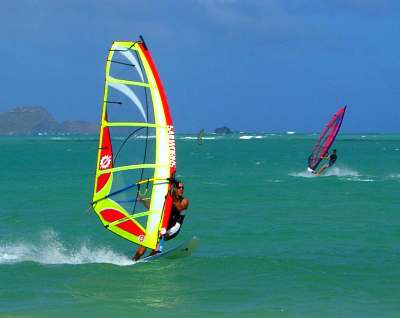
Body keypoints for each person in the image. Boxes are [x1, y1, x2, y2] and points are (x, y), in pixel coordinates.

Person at [133, 180, 189, 261]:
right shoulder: (167, 198)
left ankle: (145, 260)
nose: (181, 189)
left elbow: (179, 207)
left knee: (156, 246)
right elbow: (153, 207)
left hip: (173, 228)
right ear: (175, 189)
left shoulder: (184, 201)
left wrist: (170, 194)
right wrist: (142, 200)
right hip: (162, 224)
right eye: (179, 187)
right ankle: (134, 260)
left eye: (182, 188)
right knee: (143, 248)